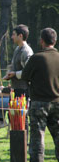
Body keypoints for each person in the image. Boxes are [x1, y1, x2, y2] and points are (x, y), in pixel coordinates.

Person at [22, 28, 59, 162]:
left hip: (39, 103)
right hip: (57, 102)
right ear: (55, 41)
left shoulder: (37, 57)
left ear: (41, 41)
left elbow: (25, 76)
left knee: (37, 139)